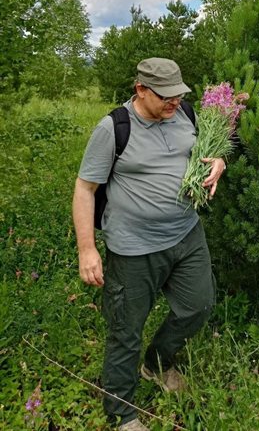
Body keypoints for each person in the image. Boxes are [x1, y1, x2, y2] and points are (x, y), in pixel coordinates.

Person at [73, 57, 225, 431]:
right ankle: (122, 413)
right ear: (141, 89)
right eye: (165, 96)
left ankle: (155, 364)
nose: (174, 102)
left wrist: (218, 162)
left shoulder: (185, 114)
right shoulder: (114, 128)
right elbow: (85, 189)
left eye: (179, 94)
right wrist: (87, 249)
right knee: (126, 330)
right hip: (134, 247)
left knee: (198, 305)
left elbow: (203, 155)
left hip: (187, 235)